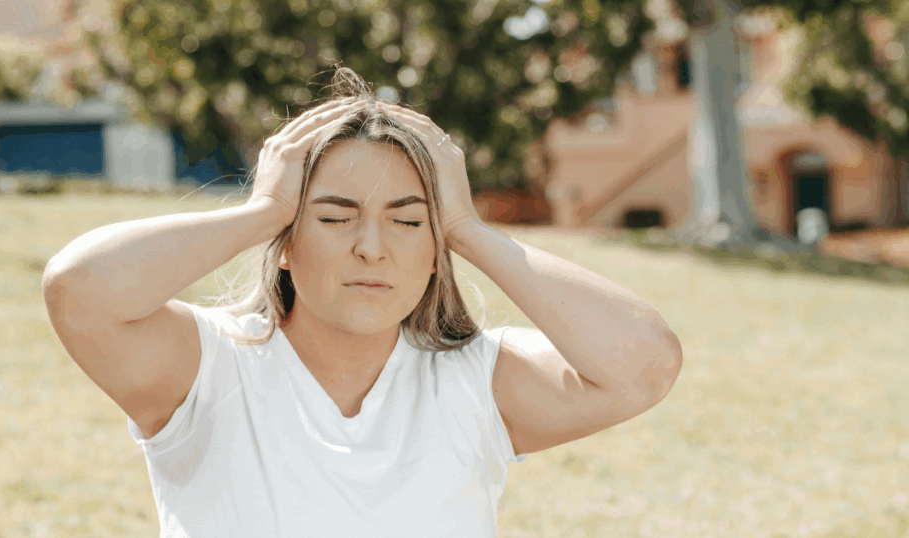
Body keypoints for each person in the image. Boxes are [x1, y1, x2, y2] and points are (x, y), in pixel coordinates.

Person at [42, 68, 683, 537]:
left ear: (434, 250)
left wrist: (466, 228)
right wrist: (263, 209)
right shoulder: (205, 368)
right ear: (285, 242)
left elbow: (646, 364)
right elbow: (79, 288)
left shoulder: (478, 383)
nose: (372, 248)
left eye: (408, 222)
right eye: (334, 217)